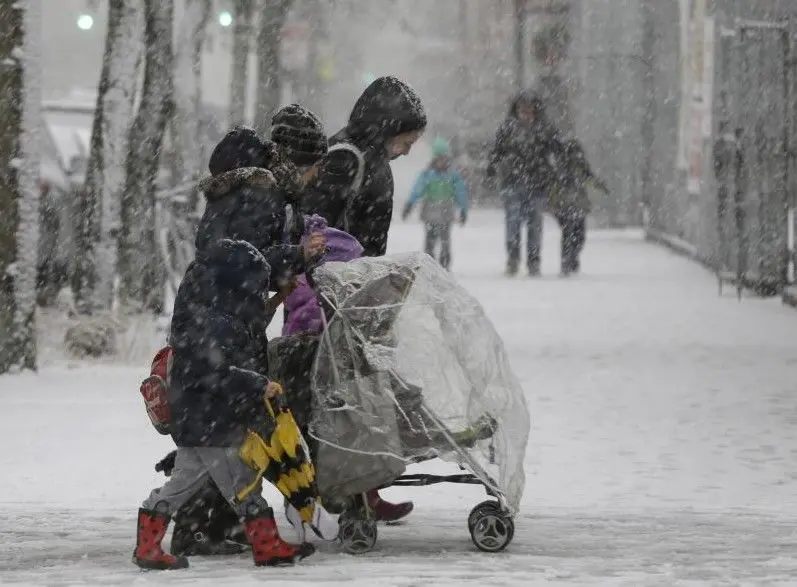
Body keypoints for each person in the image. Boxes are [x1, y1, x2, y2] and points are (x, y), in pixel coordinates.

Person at [132, 239, 320, 570]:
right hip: (212, 422)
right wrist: (259, 383)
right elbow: (213, 373)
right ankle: (268, 547)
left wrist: (276, 300)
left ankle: (148, 546)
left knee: (182, 484)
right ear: (237, 281)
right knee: (243, 483)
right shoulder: (214, 322)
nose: (258, 290)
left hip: (197, 419)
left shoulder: (208, 311)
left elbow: (226, 350)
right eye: (255, 283)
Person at [300, 75, 428, 257]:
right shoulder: (345, 158)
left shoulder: (375, 162)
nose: (406, 151)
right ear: (388, 130)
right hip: (336, 276)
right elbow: (319, 223)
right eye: (407, 142)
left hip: (353, 276)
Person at [486, 90, 562, 277]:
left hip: (537, 184)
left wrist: (555, 169)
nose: (526, 114)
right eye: (522, 110)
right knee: (513, 223)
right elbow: (496, 151)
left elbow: (557, 149)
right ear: (517, 110)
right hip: (512, 182)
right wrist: (493, 166)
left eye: (529, 110)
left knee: (535, 224)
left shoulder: (545, 129)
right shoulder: (508, 129)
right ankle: (513, 259)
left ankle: (533, 261)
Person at [402, 137, 468, 270]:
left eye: (444, 158)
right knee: (430, 240)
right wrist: (410, 204)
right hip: (430, 211)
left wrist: (463, 209)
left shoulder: (453, 176)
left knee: (445, 240)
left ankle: (445, 264)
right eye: (439, 159)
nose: (442, 162)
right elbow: (417, 189)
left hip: (446, 212)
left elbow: (461, 193)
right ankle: (429, 264)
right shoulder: (427, 175)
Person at [547, 138, 609, 276]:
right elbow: (554, 188)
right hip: (564, 207)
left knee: (577, 236)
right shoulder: (560, 170)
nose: (574, 156)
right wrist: (552, 202)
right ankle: (567, 260)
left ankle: (571, 258)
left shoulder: (580, 168)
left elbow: (590, 179)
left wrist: (600, 186)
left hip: (577, 206)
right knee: (571, 234)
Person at [269, 103, 329, 244]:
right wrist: (302, 254)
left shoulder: (285, 195)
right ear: (302, 164)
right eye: (317, 165)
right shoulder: (270, 201)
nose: (318, 173)